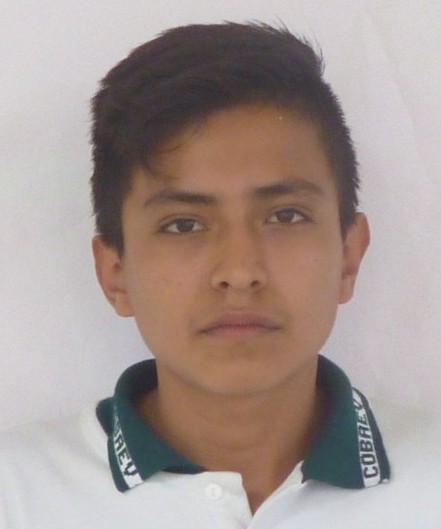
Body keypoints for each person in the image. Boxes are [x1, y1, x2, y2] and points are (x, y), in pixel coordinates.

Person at [1, 21, 439, 529]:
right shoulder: (16, 495)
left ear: (348, 257)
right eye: (183, 224)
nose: (239, 272)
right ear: (115, 274)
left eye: (285, 216)